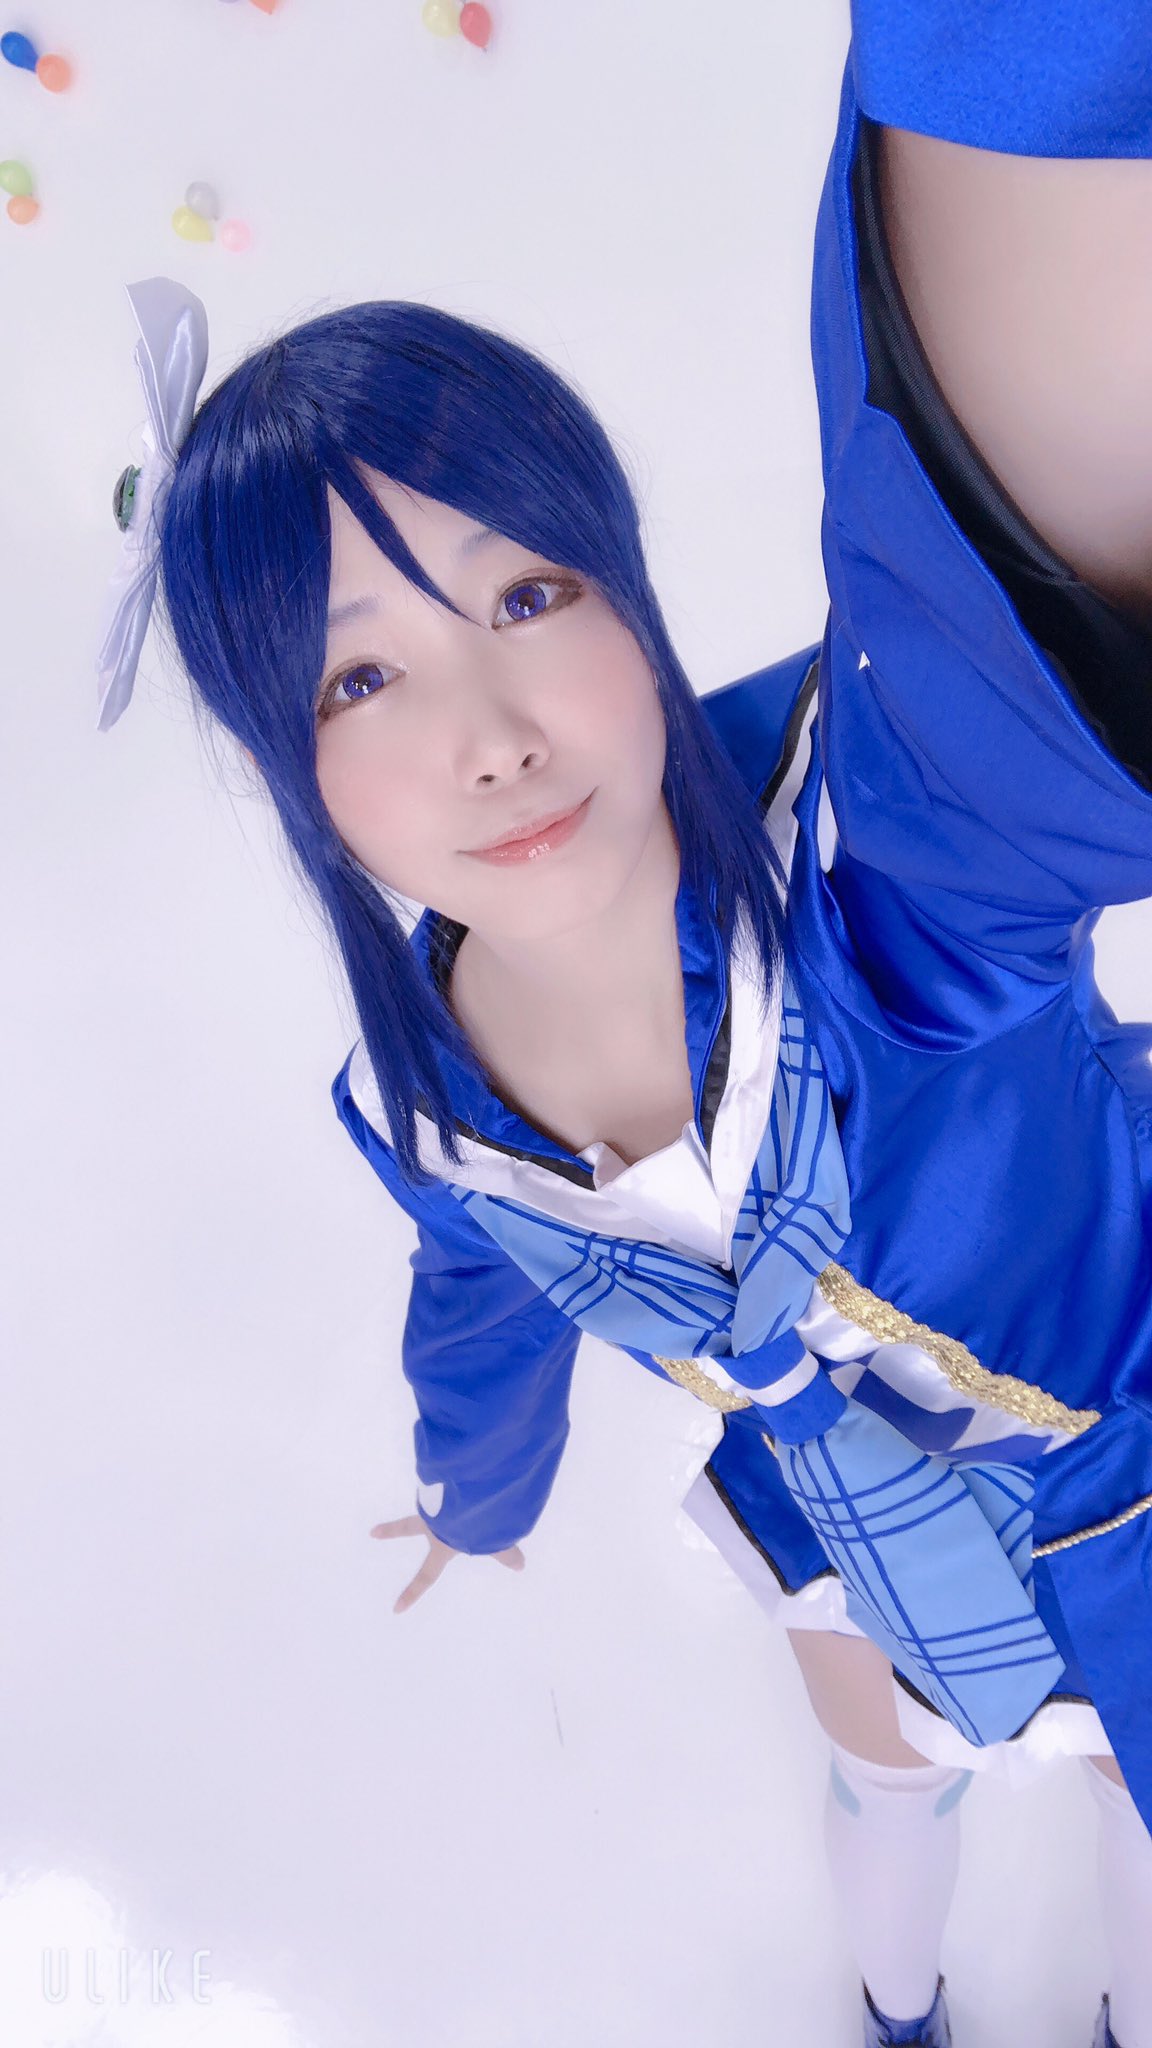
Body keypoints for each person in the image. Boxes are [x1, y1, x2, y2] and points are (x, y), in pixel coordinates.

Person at [98, 4, 1152, 2043]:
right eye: (358, 681)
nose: (490, 737)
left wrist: (1044, 71)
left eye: (525, 599)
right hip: (841, 1512)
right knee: (888, 1774)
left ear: (627, 590)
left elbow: (1003, 680)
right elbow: (479, 1294)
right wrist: (474, 1493)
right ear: (287, 767)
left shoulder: (877, 860)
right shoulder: (419, 1107)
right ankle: (899, 2015)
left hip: (1133, 1420)